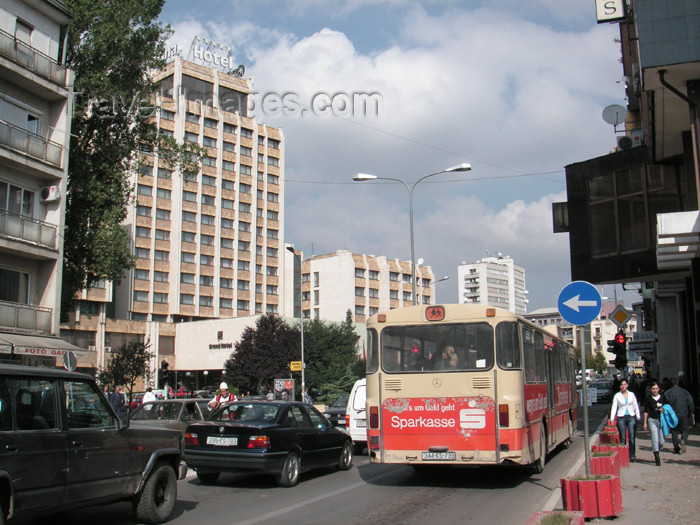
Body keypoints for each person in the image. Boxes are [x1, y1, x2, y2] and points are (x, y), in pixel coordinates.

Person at [610, 379, 641, 462]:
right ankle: (623, 455)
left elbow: (635, 405)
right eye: (621, 385)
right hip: (621, 417)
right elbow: (614, 407)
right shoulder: (617, 396)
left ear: (627, 385)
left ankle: (632, 455)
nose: (623, 386)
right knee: (622, 438)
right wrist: (612, 418)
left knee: (631, 436)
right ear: (620, 386)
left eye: (624, 384)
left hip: (631, 416)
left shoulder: (631, 394)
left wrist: (638, 416)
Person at [663, 377, 695, 454]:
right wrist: (692, 411)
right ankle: (683, 439)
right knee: (685, 429)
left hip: (673, 414)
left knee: (674, 431)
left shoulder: (667, 393)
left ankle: (676, 447)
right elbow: (690, 402)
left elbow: (665, 405)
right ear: (677, 383)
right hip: (684, 413)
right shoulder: (685, 392)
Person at [643, 381, 668, 466]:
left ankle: (658, 449)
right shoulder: (648, 399)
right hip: (652, 420)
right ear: (650, 390)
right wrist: (645, 422)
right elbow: (646, 411)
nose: (655, 390)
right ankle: (656, 456)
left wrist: (663, 410)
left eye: (656, 389)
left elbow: (667, 408)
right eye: (653, 389)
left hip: (661, 421)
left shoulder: (663, 398)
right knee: (655, 438)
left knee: (661, 441)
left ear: (659, 389)